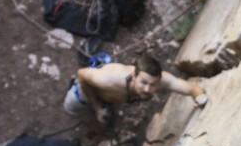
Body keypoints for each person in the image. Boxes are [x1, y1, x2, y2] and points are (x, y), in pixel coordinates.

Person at [63, 54, 208, 126]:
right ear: (133, 76)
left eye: (153, 85)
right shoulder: (109, 80)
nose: (148, 89)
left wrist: (200, 97)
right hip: (81, 96)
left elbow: (191, 89)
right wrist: (96, 108)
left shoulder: (159, 80)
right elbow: (81, 73)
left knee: (105, 111)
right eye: (144, 83)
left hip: (107, 97)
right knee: (79, 114)